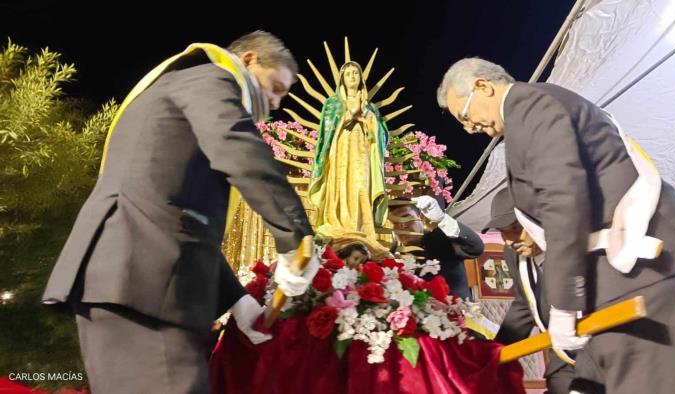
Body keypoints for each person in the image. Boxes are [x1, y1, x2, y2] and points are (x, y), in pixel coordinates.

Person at [41, 31, 319, 394]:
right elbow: (235, 144)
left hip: (131, 279)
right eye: (277, 87)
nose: (277, 102)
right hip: (141, 281)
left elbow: (173, 209)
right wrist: (294, 237)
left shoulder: (185, 90)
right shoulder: (209, 78)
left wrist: (236, 301)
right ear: (249, 60)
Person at [438, 57, 675, 393]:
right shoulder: (530, 115)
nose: (470, 129)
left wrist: (564, 304)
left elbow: (564, 200)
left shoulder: (532, 106)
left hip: (647, 281)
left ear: (483, 86)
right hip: (619, 292)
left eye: (466, 117)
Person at [485, 187, 575, 394]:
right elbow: (524, 306)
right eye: (502, 231)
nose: (508, 240)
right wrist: (495, 352)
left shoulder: (576, 247)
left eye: (515, 228)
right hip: (562, 356)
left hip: (605, 351)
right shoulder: (513, 253)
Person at [308, 61, 390, 258]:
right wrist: (349, 115)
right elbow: (325, 133)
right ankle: (340, 225)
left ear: (361, 79)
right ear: (342, 80)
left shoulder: (369, 107)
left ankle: (360, 228)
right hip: (340, 151)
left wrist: (367, 118)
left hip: (362, 154)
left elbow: (381, 135)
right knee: (340, 187)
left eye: (356, 73)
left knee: (361, 188)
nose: (352, 76)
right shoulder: (333, 104)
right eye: (348, 74)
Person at [390, 196, 483, 299]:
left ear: (421, 217)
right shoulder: (392, 256)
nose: (402, 226)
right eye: (395, 223)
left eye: (406, 218)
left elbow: (475, 248)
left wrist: (442, 219)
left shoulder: (442, 238)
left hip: (454, 311)